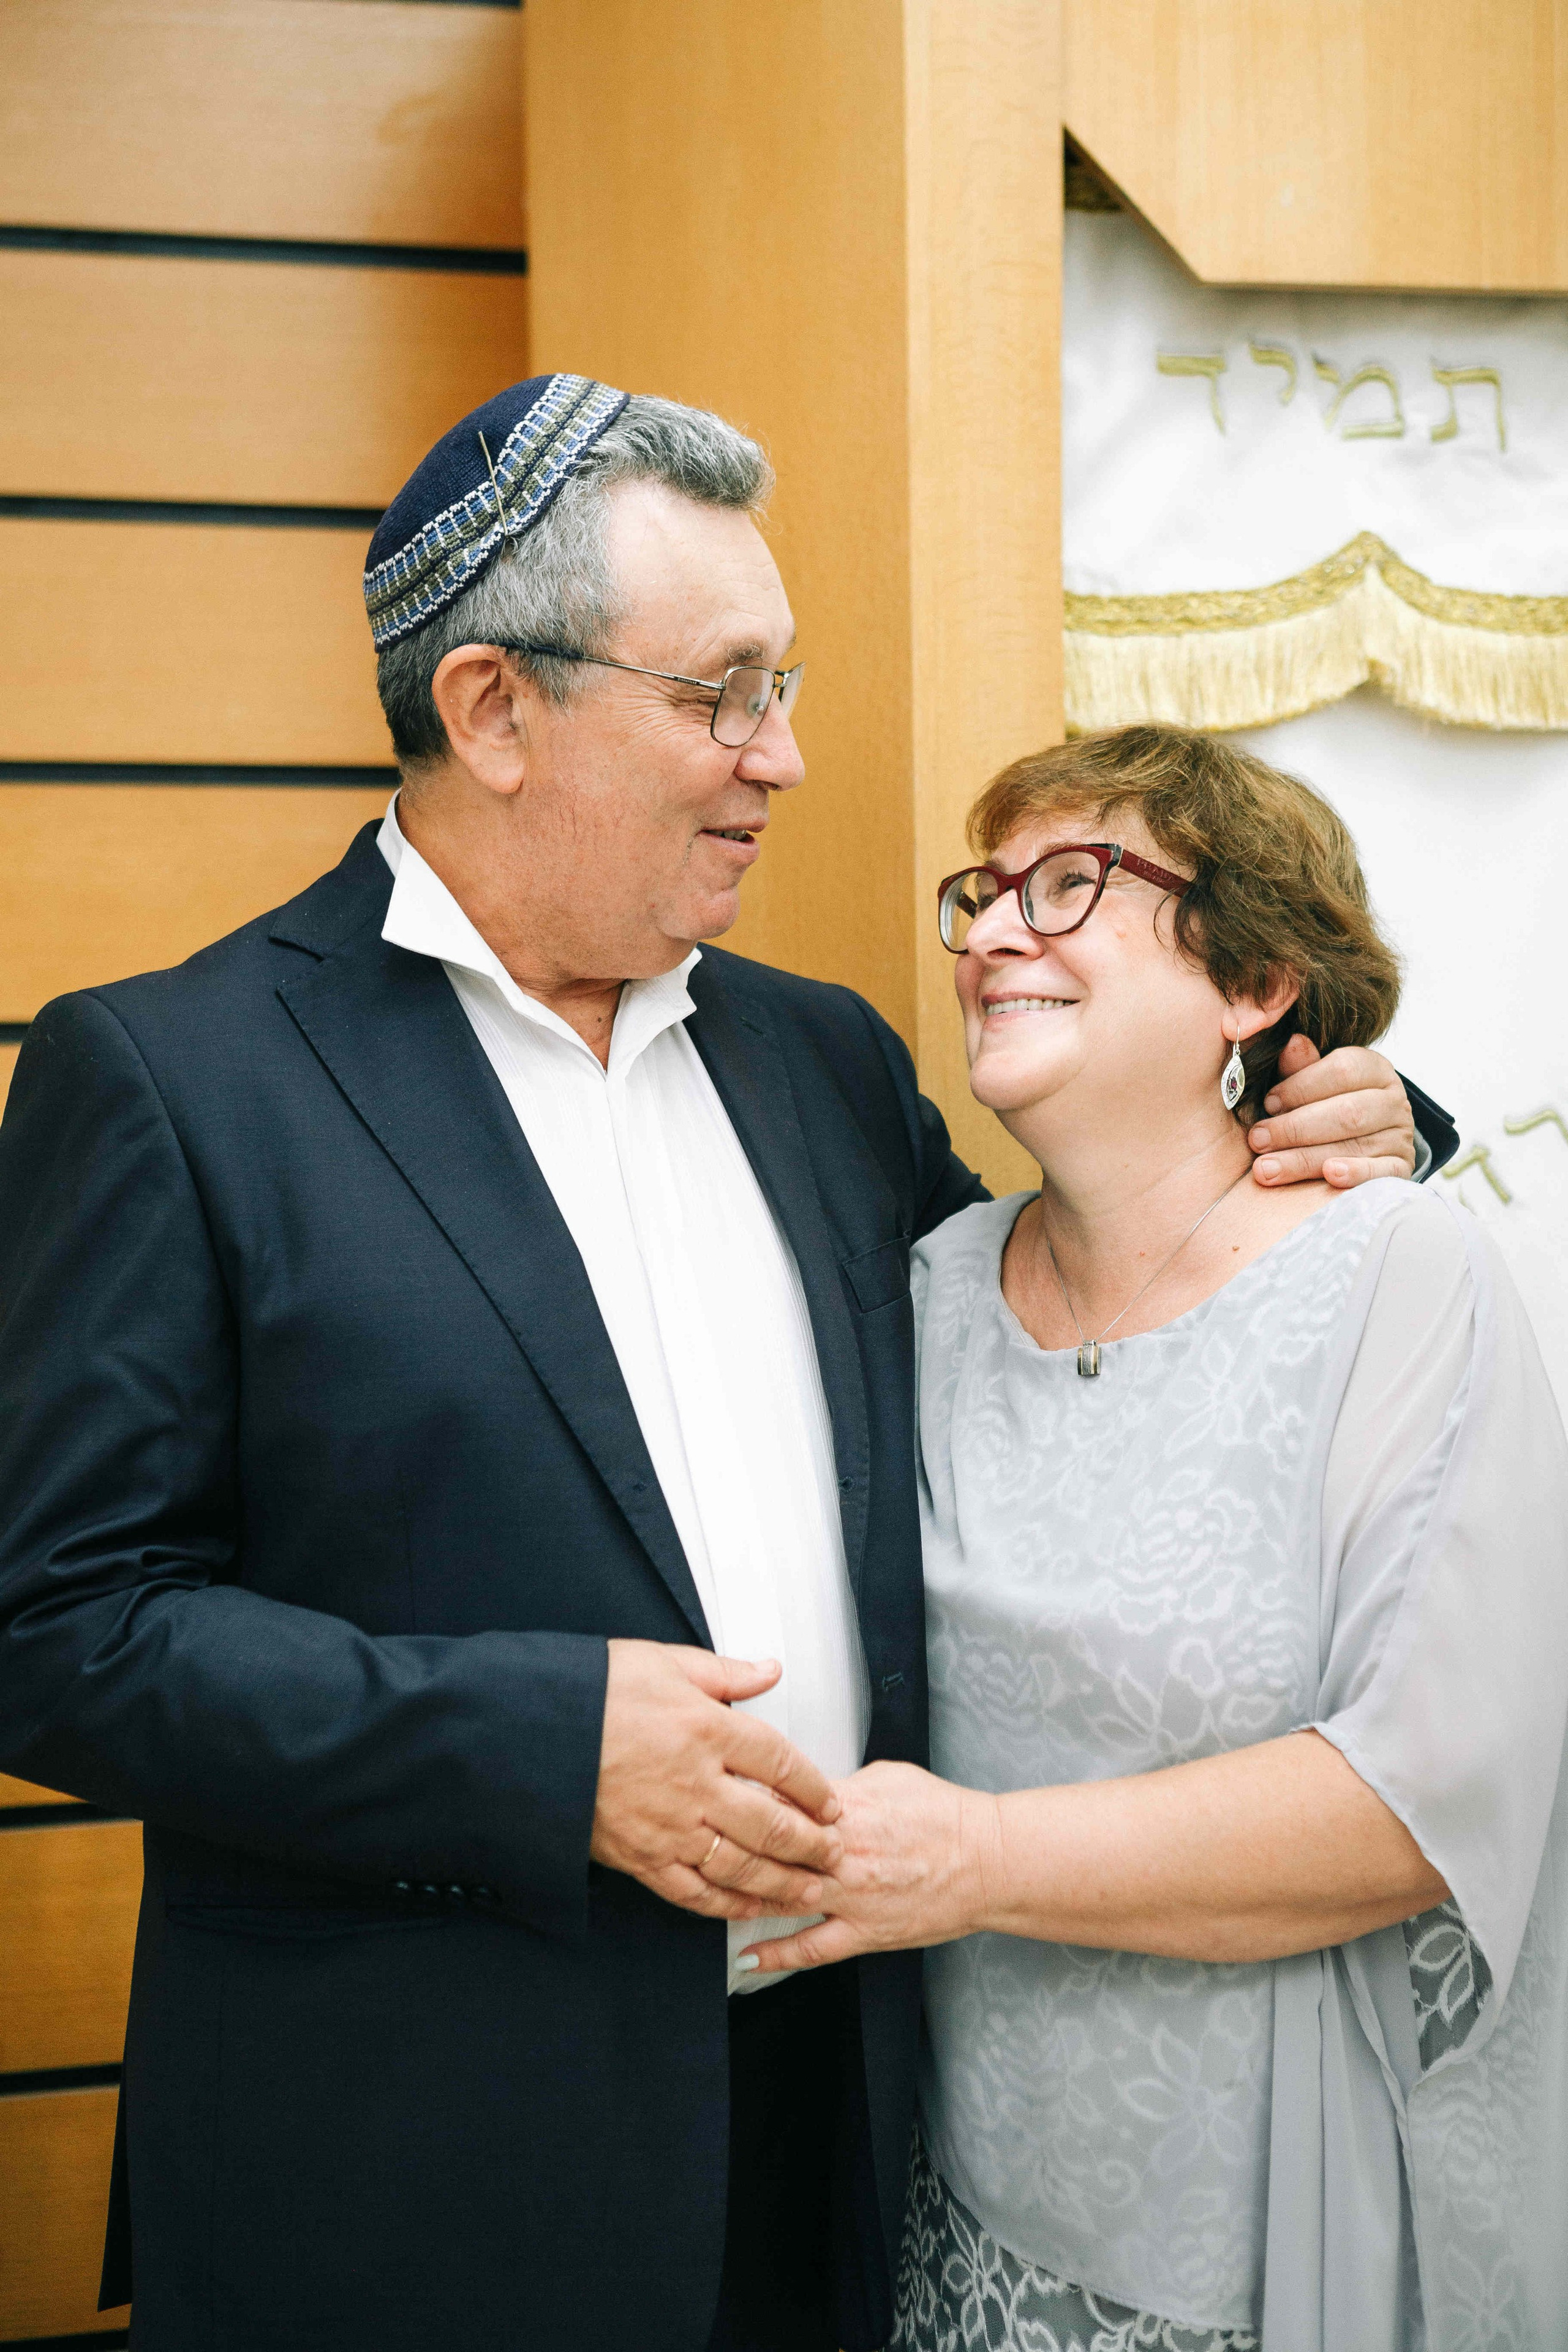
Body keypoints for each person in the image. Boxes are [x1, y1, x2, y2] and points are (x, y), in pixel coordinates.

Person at [0, 385, 1446, 2352]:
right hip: (406, 2178)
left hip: (841, 2144)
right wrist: (539, 1748)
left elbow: (1096, 1291)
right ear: (496, 710)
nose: (785, 756)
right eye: (724, 693)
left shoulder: (822, 1056)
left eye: (785, 684)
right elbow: (57, 1628)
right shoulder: (176, 1079)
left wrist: (1356, 1119)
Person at [741, 726, 1568, 2352]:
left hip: (1286, 2198)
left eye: (1071, 885)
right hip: (968, 2201)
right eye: (982, 895)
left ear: (1255, 981)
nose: (990, 936)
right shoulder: (924, 1295)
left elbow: (1427, 1798)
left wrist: (969, 1862)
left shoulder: (1398, 1272)